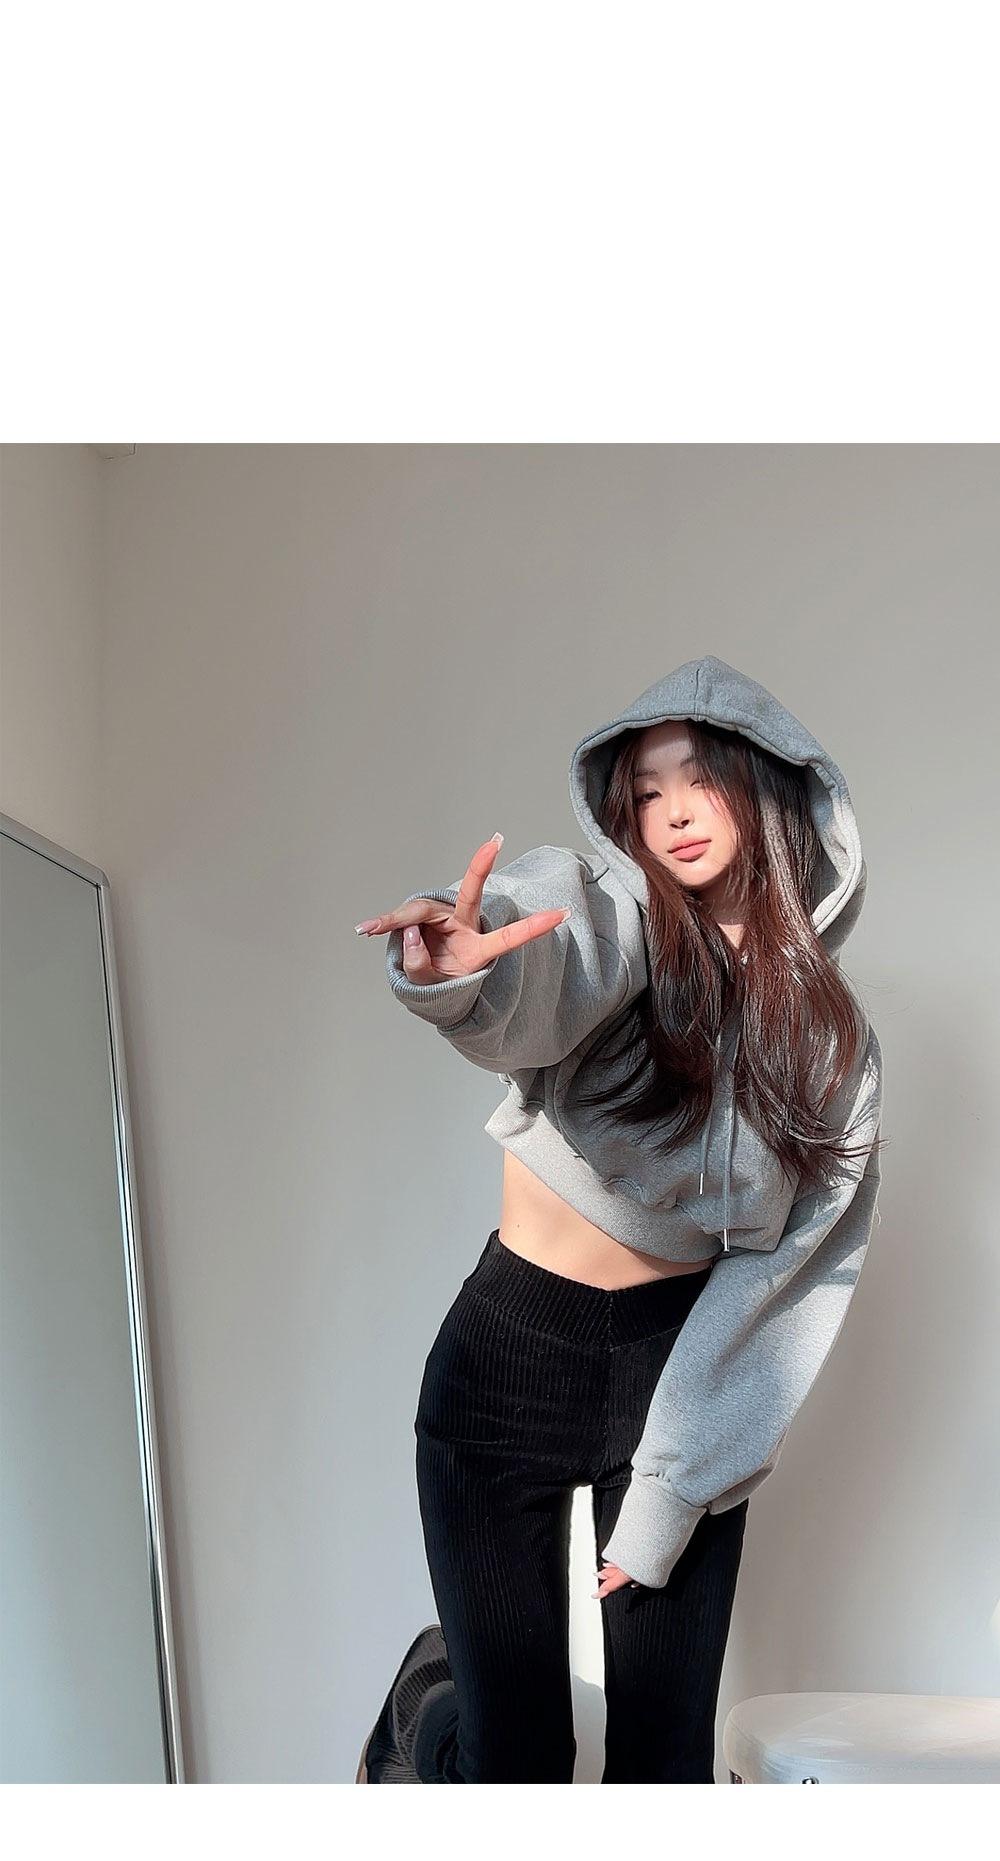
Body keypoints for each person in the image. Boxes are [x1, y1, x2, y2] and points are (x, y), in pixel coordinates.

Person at [353, 653, 886, 1784]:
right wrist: (465, 972)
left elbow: (789, 1274)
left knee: (664, 1770)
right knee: (518, 1767)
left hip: (677, 1372)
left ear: (769, 787)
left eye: (700, 779)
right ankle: (427, 1715)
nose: (673, 811)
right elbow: (548, 959)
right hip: (507, 1354)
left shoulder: (830, 1040)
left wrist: (673, 1488)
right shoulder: (616, 916)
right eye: (645, 791)